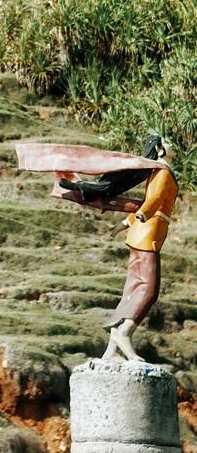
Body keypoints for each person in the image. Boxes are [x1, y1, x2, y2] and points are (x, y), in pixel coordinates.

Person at [15, 135, 178, 362]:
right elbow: (155, 200)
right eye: (168, 142)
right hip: (149, 234)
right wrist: (143, 214)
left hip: (141, 233)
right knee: (148, 290)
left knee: (133, 289)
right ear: (160, 149)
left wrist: (123, 224)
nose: (174, 145)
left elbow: (150, 201)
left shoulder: (155, 171)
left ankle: (112, 348)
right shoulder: (163, 171)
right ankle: (124, 333)